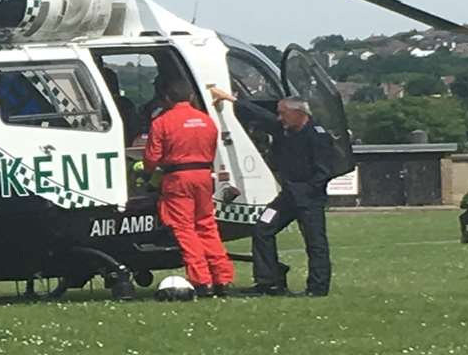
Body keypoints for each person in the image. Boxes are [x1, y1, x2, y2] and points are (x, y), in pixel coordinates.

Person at [209, 86, 345, 297]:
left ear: (299, 113)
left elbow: (324, 170)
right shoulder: (283, 129)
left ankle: (317, 288)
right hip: (288, 198)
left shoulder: (318, 136)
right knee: (262, 228)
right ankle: (268, 282)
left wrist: (308, 191)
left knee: (315, 243)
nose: (280, 118)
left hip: (309, 199)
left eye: (283, 114)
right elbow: (259, 114)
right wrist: (229, 99)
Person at [143, 76, 234, 296]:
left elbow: (151, 157)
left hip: (177, 178)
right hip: (203, 175)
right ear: (191, 96)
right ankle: (223, 277)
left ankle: (201, 280)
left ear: (166, 98)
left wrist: (147, 176)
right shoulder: (206, 120)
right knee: (207, 225)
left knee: (184, 229)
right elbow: (212, 149)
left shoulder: (162, 122)